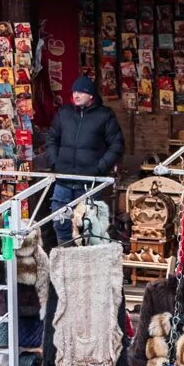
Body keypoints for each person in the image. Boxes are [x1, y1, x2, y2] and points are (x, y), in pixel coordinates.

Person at [39, 74, 124, 243]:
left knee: (89, 226)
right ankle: (65, 255)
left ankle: (85, 261)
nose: (75, 95)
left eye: (80, 92)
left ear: (91, 95)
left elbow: (117, 145)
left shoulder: (105, 115)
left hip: (89, 181)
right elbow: (51, 139)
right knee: (60, 222)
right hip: (64, 179)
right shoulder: (64, 113)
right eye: (74, 92)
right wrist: (55, 161)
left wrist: (99, 168)